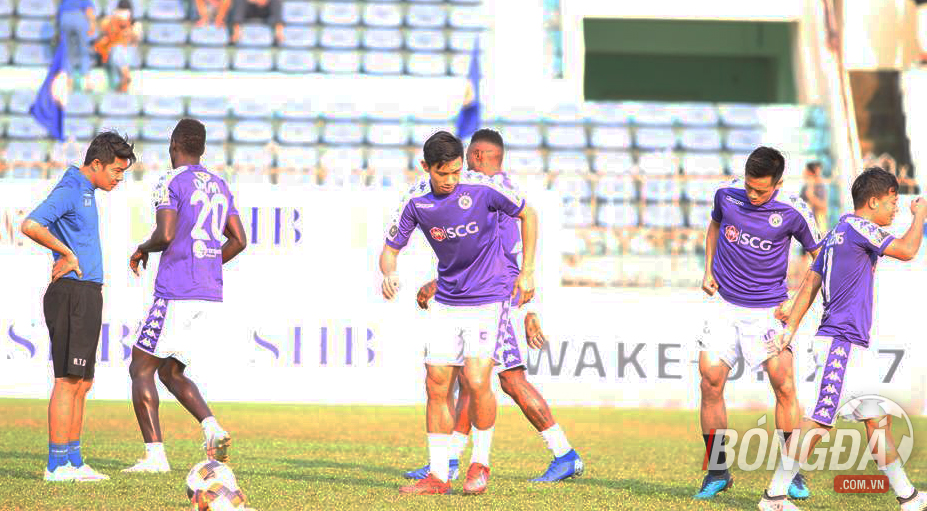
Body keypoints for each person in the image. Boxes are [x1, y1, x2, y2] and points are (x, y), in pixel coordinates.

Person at [405, 129, 583, 483]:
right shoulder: (502, 189)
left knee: (507, 379)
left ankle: (564, 453)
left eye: (464, 161)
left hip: (496, 298)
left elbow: (496, 255)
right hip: (499, 297)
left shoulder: (489, 193)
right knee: (474, 379)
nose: (459, 171)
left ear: (478, 157)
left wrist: (529, 308)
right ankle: (451, 459)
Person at [758, 168, 927, 511]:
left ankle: (908, 497)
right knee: (819, 421)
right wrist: (920, 215)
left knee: (877, 422)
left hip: (848, 343)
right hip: (841, 343)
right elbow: (908, 250)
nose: (896, 208)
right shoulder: (861, 227)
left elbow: (811, 282)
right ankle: (774, 497)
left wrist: (791, 327)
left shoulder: (838, 231)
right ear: (873, 201)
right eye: (893, 201)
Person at [379, 131, 537, 495]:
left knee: (477, 380)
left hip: (489, 296)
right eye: (442, 173)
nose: (450, 180)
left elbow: (528, 214)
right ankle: (438, 475)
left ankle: (480, 463)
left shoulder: (483, 188)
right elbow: (389, 249)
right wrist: (389, 273)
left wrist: (527, 272)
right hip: (447, 300)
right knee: (436, 382)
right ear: (426, 167)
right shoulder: (415, 201)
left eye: (455, 171)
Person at [695, 146, 822, 500]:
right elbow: (715, 225)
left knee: (784, 386)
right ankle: (717, 471)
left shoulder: (794, 211)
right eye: (750, 187)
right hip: (724, 306)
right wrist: (707, 269)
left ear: (778, 184)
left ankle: (791, 472)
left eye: (761, 191)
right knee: (710, 381)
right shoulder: (726, 193)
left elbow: (820, 259)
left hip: (767, 311)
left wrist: (795, 302)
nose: (752, 195)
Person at [122, 119, 247, 473]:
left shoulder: (171, 180)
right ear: (202, 149)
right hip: (207, 293)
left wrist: (142, 248)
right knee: (170, 371)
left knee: (140, 367)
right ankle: (213, 428)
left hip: (176, 290)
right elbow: (239, 239)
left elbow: (165, 234)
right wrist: (206, 263)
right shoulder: (219, 184)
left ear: (173, 145)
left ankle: (155, 457)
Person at [20, 132, 135, 482]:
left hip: (86, 293)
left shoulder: (86, 191)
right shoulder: (72, 188)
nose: (119, 178)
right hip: (72, 293)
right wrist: (67, 254)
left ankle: (74, 461)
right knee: (68, 380)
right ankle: (56, 466)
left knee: (83, 382)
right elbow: (30, 224)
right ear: (96, 164)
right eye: (116, 171)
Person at [93, 0, 142, 93]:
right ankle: (124, 76)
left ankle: (123, 79)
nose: (122, 14)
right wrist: (114, 21)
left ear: (130, 12)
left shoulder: (135, 24)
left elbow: (135, 42)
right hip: (112, 55)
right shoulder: (111, 22)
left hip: (129, 55)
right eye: (120, 11)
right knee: (115, 49)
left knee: (119, 49)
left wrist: (126, 30)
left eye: (125, 11)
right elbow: (103, 32)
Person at [56, 0, 96, 91]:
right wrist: (92, 23)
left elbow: (59, 13)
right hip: (79, 16)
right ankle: (87, 82)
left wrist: (59, 32)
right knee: (84, 50)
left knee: (67, 52)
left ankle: (69, 82)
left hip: (64, 18)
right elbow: (88, 10)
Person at [801, 161, 828, 231]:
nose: (819, 175)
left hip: (818, 226)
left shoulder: (820, 186)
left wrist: (811, 196)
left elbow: (823, 206)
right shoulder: (805, 187)